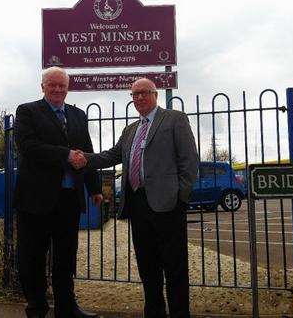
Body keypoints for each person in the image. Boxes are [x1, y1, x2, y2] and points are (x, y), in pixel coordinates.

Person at [71, 78, 199, 318]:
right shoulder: (131, 130)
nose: (139, 98)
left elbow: (190, 162)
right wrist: (84, 158)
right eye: (135, 94)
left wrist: (180, 197)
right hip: (138, 205)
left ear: (155, 95)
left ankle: (180, 313)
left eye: (144, 93)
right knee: (148, 268)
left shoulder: (174, 120)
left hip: (169, 205)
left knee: (175, 267)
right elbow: (112, 155)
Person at [13, 66, 103, 318]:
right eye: (52, 85)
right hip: (35, 200)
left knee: (65, 257)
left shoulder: (78, 115)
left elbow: (86, 151)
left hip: (68, 199)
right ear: (43, 87)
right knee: (33, 257)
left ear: (68, 87)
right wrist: (65, 155)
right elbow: (28, 147)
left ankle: (67, 307)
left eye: (62, 85)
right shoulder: (27, 111)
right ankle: (37, 308)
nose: (57, 89)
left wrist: (94, 187)